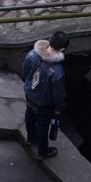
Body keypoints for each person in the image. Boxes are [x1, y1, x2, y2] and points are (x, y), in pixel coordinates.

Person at [21, 30, 68, 159]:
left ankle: (30, 138)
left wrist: (28, 85)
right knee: (43, 125)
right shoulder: (57, 71)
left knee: (29, 116)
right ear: (62, 49)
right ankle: (42, 152)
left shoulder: (32, 55)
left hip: (30, 94)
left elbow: (25, 72)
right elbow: (58, 93)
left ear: (49, 39)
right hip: (44, 103)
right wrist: (59, 106)